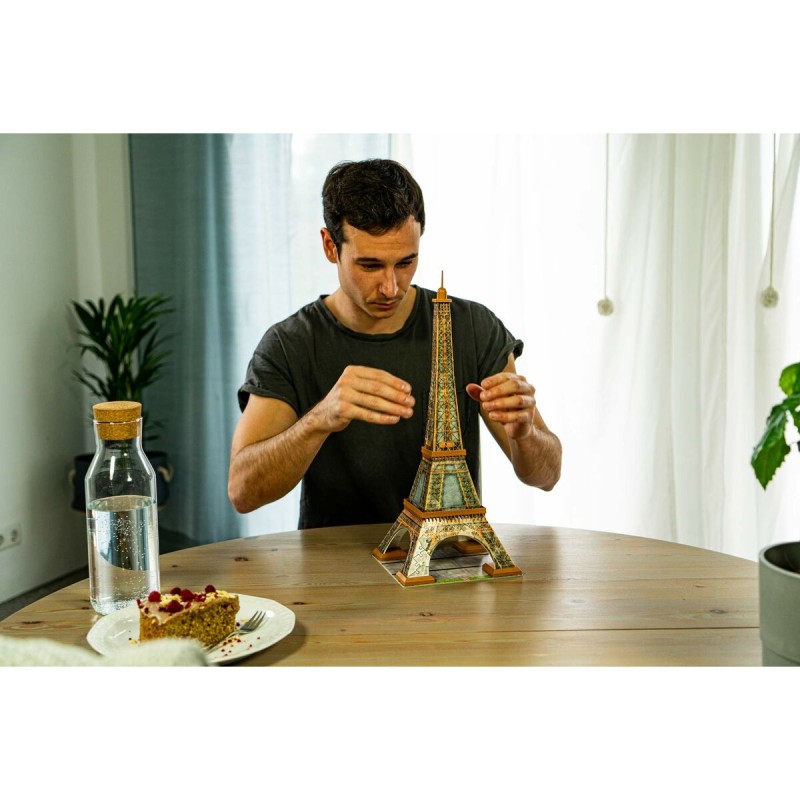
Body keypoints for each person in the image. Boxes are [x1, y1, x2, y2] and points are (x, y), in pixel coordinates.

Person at [229, 159, 561, 528]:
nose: (391, 287)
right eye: (370, 266)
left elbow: (547, 476)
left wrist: (525, 433)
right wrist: (321, 419)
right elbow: (243, 492)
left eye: (405, 262)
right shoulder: (289, 344)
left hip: (449, 557)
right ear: (329, 246)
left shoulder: (472, 327)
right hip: (331, 561)